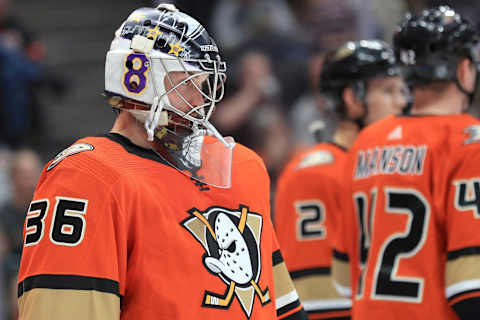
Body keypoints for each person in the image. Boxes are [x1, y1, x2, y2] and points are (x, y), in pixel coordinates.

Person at [16, 4, 307, 320]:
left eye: (204, 85)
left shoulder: (244, 167)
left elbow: (280, 306)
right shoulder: (87, 176)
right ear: (138, 81)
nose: (199, 102)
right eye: (188, 85)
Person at [332, 6, 480, 319]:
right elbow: (471, 288)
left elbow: (343, 280)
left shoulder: (364, 144)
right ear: (464, 68)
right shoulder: (469, 142)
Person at [274, 40, 408, 319]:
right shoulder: (312, 174)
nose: (401, 101)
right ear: (352, 98)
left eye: (402, 90)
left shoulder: (395, 162)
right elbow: (316, 295)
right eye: (388, 91)